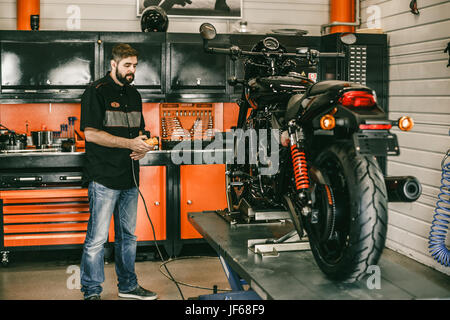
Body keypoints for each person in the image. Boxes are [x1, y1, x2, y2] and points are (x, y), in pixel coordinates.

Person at [79, 43, 156, 300]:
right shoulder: (96, 92)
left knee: (128, 237)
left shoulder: (134, 95)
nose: (132, 70)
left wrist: (143, 146)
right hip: (103, 177)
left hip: (129, 177)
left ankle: (128, 286)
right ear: (113, 65)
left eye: (134, 65)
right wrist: (128, 144)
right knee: (97, 239)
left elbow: (140, 134)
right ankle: (91, 291)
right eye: (127, 65)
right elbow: (90, 134)